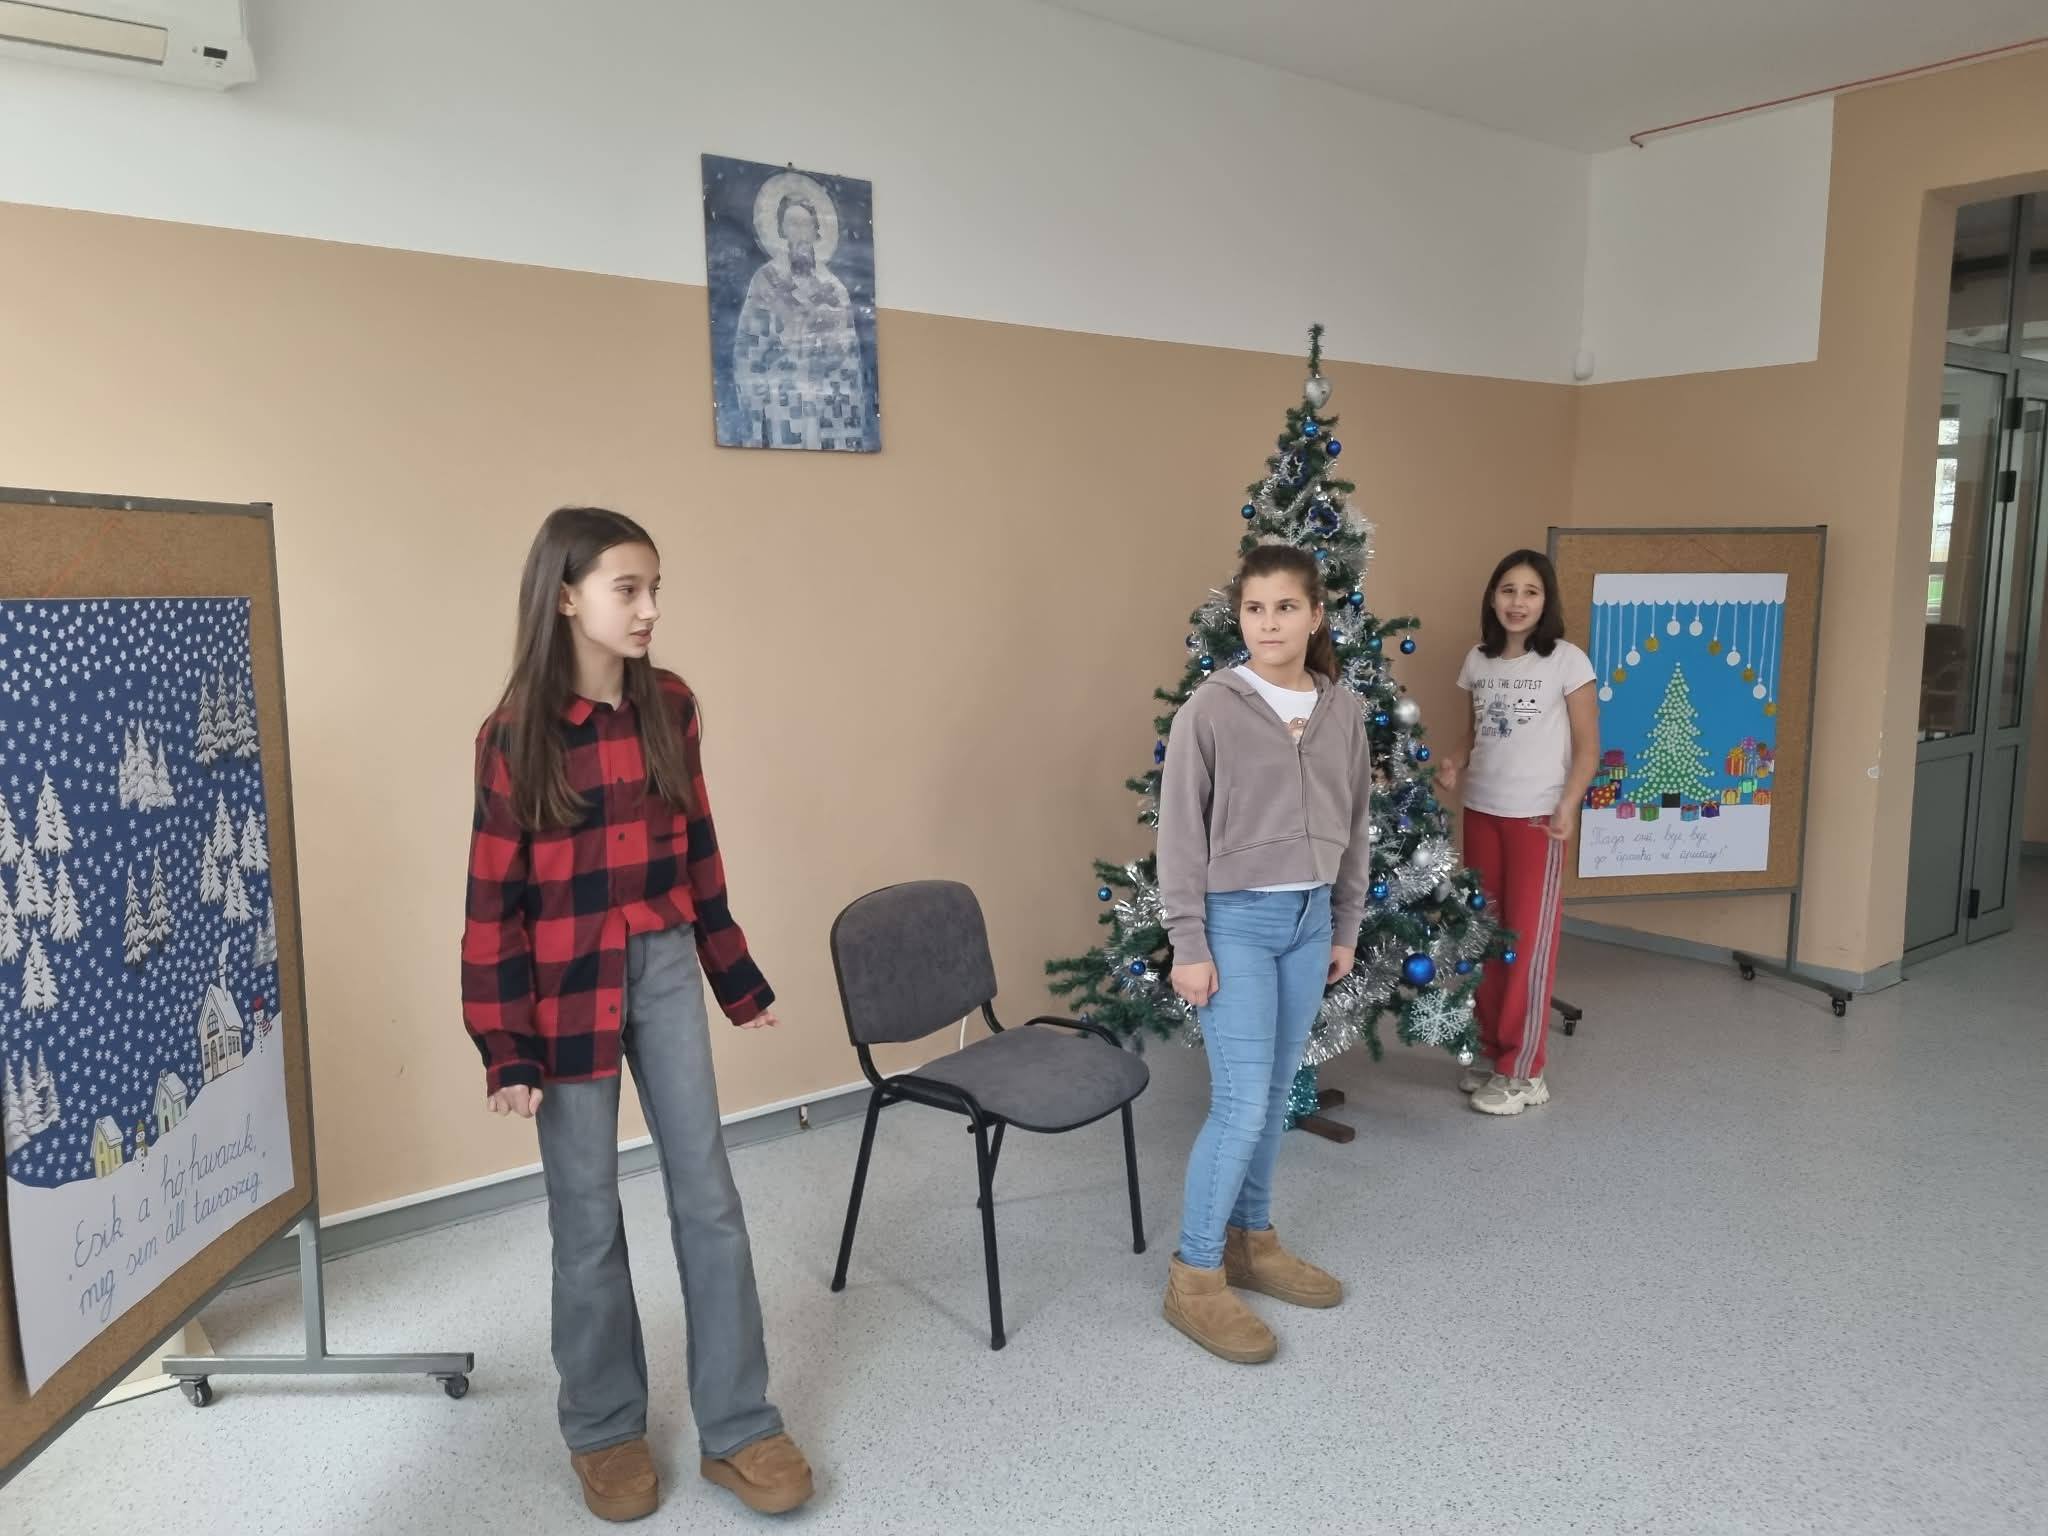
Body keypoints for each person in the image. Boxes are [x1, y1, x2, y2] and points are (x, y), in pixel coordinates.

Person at [460, 506, 814, 1521]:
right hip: (562, 983)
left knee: (709, 1196)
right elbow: (492, 902)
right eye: (629, 588)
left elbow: (698, 844)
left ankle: (739, 1425)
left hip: (660, 966)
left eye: (655, 588)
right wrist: (504, 1046)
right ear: (566, 597)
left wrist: (731, 974)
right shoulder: (513, 736)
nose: (650, 607)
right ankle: (605, 1430)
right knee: (585, 1218)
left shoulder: (672, 705)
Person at [1155, 542, 1374, 1364]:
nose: (1269, 623)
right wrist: (1189, 941)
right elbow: (1180, 833)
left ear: (1315, 616)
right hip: (1235, 924)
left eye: (1285, 607)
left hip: (1310, 924)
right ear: (1239, 617)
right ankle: (1195, 1276)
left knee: (1277, 1095)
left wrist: (1344, 925)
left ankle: (1251, 1240)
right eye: (1254, 609)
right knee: (1242, 1103)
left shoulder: (1341, 710)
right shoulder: (1210, 709)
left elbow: (1356, 823)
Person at [1437, 549, 1599, 1117]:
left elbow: (1588, 747)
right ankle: (1492, 1050)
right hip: (1482, 810)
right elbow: (1477, 731)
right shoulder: (1478, 660)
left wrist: (1568, 804)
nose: (1517, 602)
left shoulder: (1567, 661)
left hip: (1537, 820)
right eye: (1508, 590)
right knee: (1486, 935)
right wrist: (1456, 761)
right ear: (1493, 597)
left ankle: (1525, 1070)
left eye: (1531, 592)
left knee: (1527, 942)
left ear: (1546, 601)